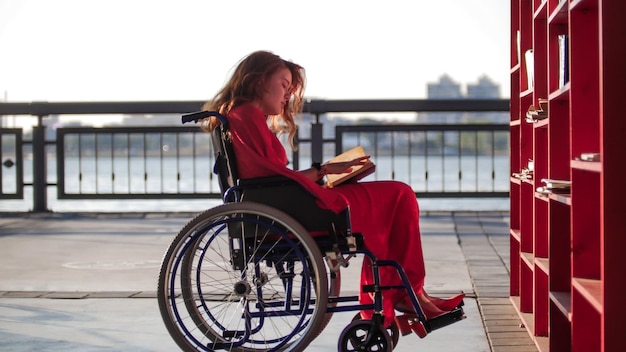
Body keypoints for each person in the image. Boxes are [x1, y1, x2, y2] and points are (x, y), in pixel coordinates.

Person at [200, 50, 464, 336]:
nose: (287, 95)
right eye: (284, 85)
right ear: (260, 80)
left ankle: (409, 292)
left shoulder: (243, 116)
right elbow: (271, 181)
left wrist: (326, 171)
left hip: (287, 204)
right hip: (293, 211)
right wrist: (323, 173)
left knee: (398, 196)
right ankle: (405, 292)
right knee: (400, 195)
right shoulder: (247, 116)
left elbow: (270, 180)